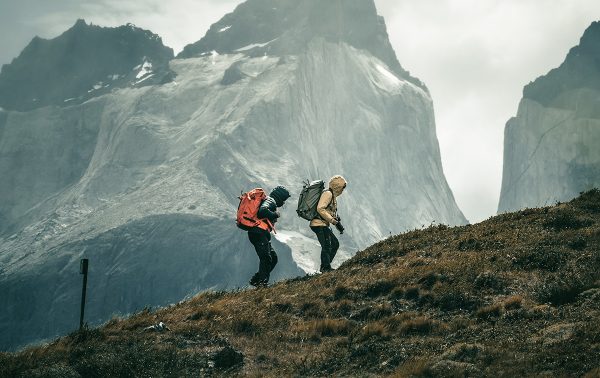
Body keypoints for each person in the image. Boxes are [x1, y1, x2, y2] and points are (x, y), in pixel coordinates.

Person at [248, 185, 290, 287]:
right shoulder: (271, 200)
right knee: (266, 258)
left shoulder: (269, 200)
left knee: (273, 258)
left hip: (259, 233)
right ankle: (262, 284)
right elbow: (263, 211)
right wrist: (275, 214)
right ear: (279, 197)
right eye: (283, 200)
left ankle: (256, 279)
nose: (283, 203)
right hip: (259, 232)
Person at [310, 175, 347, 272]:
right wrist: (334, 221)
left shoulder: (332, 196)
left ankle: (326, 266)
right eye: (342, 187)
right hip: (318, 224)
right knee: (327, 245)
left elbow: (328, 210)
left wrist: (336, 220)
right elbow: (320, 208)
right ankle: (325, 268)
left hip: (322, 224)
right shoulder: (328, 194)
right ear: (337, 186)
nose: (343, 190)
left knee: (334, 244)